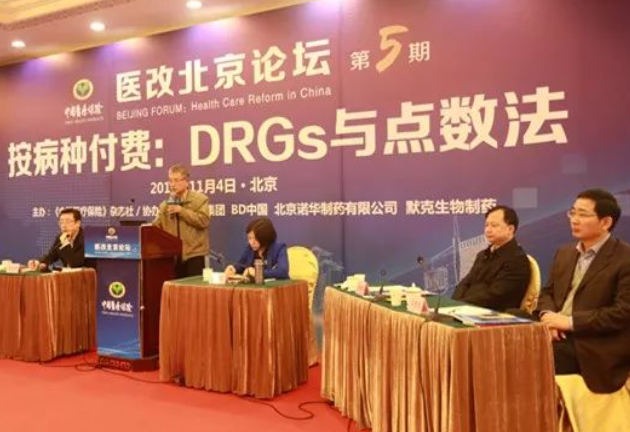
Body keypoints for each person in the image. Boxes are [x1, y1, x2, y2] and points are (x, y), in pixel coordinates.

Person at [537, 189, 630, 393]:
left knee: (532, 353)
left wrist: (569, 322)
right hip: (558, 330)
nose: (574, 220)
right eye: (573, 212)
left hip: (594, 343)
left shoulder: (625, 258)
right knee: (510, 334)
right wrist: (548, 318)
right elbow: (547, 292)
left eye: (583, 214)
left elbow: (623, 313)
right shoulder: (564, 252)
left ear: (605, 222)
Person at [452, 205, 531, 311]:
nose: (488, 230)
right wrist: (454, 304)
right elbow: (465, 282)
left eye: (494, 225)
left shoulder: (517, 260)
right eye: (486, 225)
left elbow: (495, 296)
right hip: (466, 309)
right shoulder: (483, 255)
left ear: (510, 229)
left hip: (495, 315)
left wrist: (461, 305)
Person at [152, 164, 210, 278]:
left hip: (194, 255)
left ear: (186, 181)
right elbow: (156, 226)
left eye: (176, 180)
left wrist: (182, 211)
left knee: (193, 288)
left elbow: (204, 221)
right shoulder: (165, 205)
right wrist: (144, 228)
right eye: (170, 181)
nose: (172, 184)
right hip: (173, 256)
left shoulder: (200, 200)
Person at [224, 217, 289, 280]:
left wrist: (258, 273)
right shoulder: (249, 249)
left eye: (256, 238)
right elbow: (241, 265)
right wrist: (233, 269)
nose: (252, 242)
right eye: (249, 238)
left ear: (265, 237)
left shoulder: (279, 248)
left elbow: (283, 272)